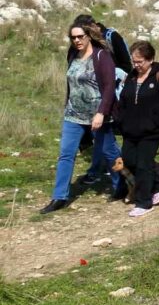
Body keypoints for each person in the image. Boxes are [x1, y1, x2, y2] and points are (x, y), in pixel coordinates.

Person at [40, 22, 123, 214]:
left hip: (98, 115)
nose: (77, 40)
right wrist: (67, 103)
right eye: (73, 37)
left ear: (88, 36)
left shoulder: (102, 56)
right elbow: (71, 82)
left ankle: (121, 184)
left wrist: (102, 112)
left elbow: (110, 86)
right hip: (73, 114)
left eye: (80, 37)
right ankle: (59, 197)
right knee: (66, 154)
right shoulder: (72, 54)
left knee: (109, 151)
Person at [69, 14, 131, 186]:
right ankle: (99, 171)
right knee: (102, 138)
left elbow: (127, 64)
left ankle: (121, 176)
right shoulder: (81, 47)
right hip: (89, 99)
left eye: (84, 34)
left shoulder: (112, 37)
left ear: (93, 27)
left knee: (106, 139)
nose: (80, 38)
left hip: (113, 93)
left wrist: (110, 74)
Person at [118, 41, 159, 217]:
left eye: (140, 61)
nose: (136, 65)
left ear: (150, 59)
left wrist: (153, 119)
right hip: (130, 130)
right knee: (129, 161)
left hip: (151, 131)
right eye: (134, 61)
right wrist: (121, 120)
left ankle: (144, 202)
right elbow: (124, 100)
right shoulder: (131, 76)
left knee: (144, 164)